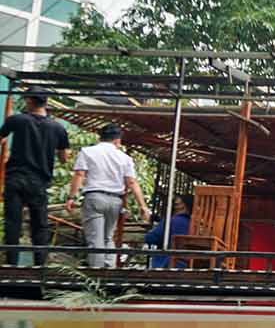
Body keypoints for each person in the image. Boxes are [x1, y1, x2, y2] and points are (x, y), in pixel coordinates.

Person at [1, 88, 70, 265]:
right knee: (40, 225)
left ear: (29, 101)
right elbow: (64, 158)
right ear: (46, 102)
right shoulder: (58, 128)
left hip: (15, 177)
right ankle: (40, 265)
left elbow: (1, 137)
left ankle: (11, 264)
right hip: (39, 181)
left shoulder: (17, 120)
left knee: (12, 223)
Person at [65, 124, 148, 268]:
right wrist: (143, 206)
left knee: (95, 240)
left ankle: (97, 276)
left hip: (95, 197)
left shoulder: (87, 151)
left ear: (100, 137)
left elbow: (80, 174)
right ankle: (110, 272)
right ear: (117, 140)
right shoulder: (124, 158)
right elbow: (132, 182)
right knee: (108, 237)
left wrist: (71, 197)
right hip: (115, 200)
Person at [144, 192, 195, 268]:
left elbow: (151, 238)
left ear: (182, 206)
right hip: (188, 265)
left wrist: (150, 231)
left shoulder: (169, 221)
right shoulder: (194, 224)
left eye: (176, 204)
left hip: (166, 264)